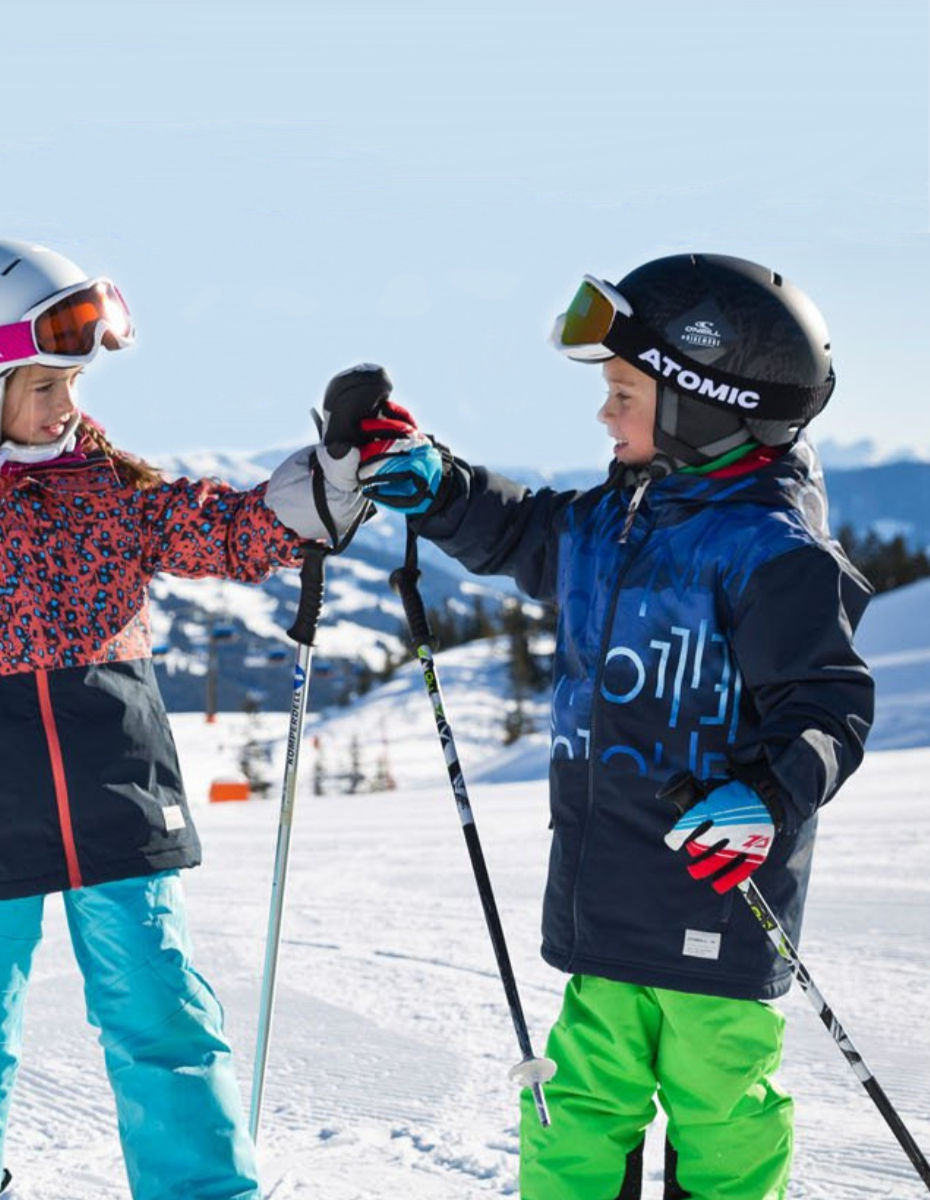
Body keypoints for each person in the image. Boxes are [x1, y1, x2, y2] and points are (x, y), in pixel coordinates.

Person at [0, 238, 368, 1200]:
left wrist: (314, 495)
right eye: (42, 385)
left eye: (73, 381)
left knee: (160, 1009)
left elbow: (222, 529)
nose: (65, 404)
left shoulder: (107, 485)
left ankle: (201, 1188)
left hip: (118, 790)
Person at [329, 256, 874, 1199]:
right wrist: (437, 482)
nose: (603, 413)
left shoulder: (774, 553)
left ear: (707, 405)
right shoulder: (612, 523)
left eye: (624, 393)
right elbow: (514, 530)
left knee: (723, 1110)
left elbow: (829, 705)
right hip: (606, 896)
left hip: (718, 898)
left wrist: (768, 795)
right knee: (577, 1106)